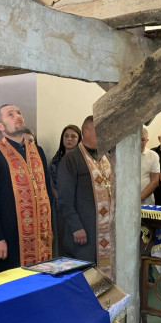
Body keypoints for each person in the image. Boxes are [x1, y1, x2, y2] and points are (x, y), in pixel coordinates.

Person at [0, 104, 52, 273]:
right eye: (10, 114)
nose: (18, 116)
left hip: (40, 234)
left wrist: (49, 227)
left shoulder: (37, 151)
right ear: (0, 126)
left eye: (19, 113)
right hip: (10, 234)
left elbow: (46, 191)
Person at [57, 116, 112, 274]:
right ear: (86, 132)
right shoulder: (71, 159)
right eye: (100, 131)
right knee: (86, 272)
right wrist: (76, 227)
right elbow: (64, 198)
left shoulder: (105, 157)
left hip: (107, 229)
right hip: (85, 228)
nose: (104, 135)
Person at [49, 125, 82, 256]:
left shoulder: (83, 160)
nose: (69, 139)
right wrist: (62, 199)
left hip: (79, 208)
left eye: (73, 136)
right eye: (66, 136)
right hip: (61, 207)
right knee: (63, 242)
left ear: (79, 139)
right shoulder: (55, 160)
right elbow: (52, 185)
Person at [140, 127, 160, 205]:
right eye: (137, 139)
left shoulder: (153, 155)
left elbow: (154, 181)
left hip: (146, 201)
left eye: (142, 140)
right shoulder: (125, 155)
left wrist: (140, 198)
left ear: (147, 140)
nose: (139, 142)